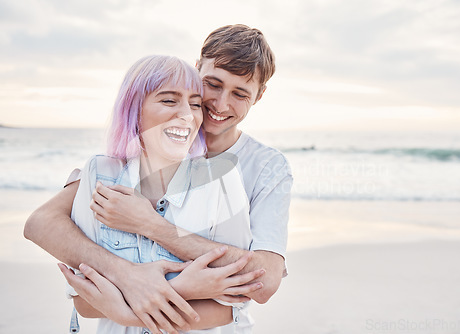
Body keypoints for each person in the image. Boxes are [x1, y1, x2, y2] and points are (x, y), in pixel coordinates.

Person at [24, 24, 292, 333]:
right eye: (213, 85)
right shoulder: (133, 155)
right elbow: (42, 223)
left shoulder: (264, 167)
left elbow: (263, 281)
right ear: (196, 71)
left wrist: (150, 226)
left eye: (240, 94)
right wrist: (127, 275)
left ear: (259, 96)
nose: (220, 104)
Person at [59, 54, 267, 334]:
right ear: (135, 108)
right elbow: (84, 301)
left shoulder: (222, 180)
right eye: (169, 100)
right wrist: (184, 288)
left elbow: (229, 307)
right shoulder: (100, 174)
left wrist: (125, 306)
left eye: (195, 104)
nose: (186, 114)